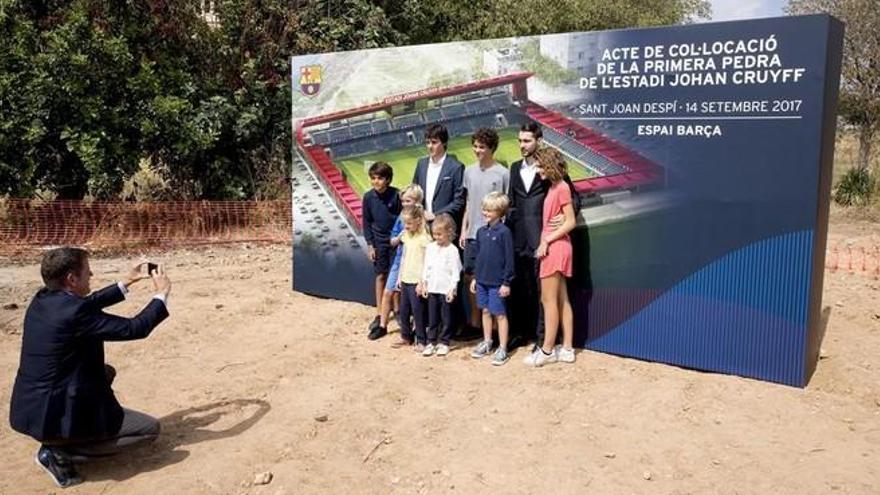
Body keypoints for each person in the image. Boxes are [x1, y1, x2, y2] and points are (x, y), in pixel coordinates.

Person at [9, 247, 172, 488]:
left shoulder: (43, 298)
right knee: (149, 429)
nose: (92, 274)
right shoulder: (75, 314)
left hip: (31, 408)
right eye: (87, 272)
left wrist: (128, 280)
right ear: (72, 279)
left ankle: (64, 438)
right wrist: (162, 294)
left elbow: (86, 303)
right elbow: (135, 328)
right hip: (54, 409)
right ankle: (61, 453)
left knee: (106, 372)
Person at [506, 121, 581, 351]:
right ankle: (521, 333)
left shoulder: (548, 168)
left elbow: (573, 199)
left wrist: (563, 217)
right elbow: (512, 202)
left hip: (545, 241)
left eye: (527, 141)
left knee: (544, 295)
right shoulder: (514, 167)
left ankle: (542, 340)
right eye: (520, 140)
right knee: (521, 289)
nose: (522, 145)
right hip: (520, 240)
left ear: (539, 141)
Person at [523, 148, 577, 366]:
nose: (538, 170)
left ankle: (547, 351)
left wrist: (546, 240)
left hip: (555, 249)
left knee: (549, 300)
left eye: (541, 165)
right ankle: (567, 348)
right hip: (557, 246)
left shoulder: (561, 188)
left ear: (551, 165)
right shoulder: (557, 187)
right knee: (562, 299)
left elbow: (570, 221)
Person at [460, 128, 510, 334]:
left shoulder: (503, 174)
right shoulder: (469, 171)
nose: (477, 150)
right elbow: (469, 202)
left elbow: (505, 207)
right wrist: (464, 230)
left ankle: (498, 328)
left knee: (492, 281)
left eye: (482, 147)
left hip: (493, 237)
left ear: (492, 148)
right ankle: (476, 324)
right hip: (472, 236)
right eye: (475, 146)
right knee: (470, 279)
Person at [370, 184, 424, 341]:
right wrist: (400, 236)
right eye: (403, 201)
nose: (405, 204)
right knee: (388, 291)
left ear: (418, 201)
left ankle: (416, 330)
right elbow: (392, 241)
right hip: (400, 260)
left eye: (408, 201)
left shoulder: (424, 218)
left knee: (416, 299)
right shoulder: (401, 217)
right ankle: (382, 325)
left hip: (417, 263)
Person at [468, 192, 515, 366]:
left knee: (500, 315)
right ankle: (487, 341)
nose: (485, 213)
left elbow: (509, 259)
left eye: (489, 210)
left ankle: (502, 347)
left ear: (500, 211)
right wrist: (475, 278)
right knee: (485, 311)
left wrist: (506, 282)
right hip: (482, 281)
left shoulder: (505, 232)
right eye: (484, 209)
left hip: (498, 283)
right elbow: (479, 257)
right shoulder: (481, 232)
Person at [362, 162, 402, 337]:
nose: (376, 181)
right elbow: (366, 223)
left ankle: (398, 311)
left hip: (396, 242)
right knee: (380, 276)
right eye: (373, 178)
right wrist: (371, 245)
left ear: (388, 179)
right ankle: (380, 313)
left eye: (380, 178)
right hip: (379, 243)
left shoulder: (397, 195)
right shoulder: (368, 197)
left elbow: (403, 219)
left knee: (396, 277)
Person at [419, 213, 462, 357]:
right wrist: (424, 283)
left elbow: (456, 271)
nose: (437, 237)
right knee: (433, 317)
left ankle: (444, 341)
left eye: (439, 234)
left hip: (445, 289)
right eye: (434, 234)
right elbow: (426, 266)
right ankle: (431, 341)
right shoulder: (431, 248)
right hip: (432, 288)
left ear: (449, 232)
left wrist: (452, 289)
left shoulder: (452, 250)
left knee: (446, 317)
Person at [392, 204, 432, 351]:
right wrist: (399, 278)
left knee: (418, 311)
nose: (406, 226)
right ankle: (406, 336)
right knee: (404, 310)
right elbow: (403, 257)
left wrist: (422, 282)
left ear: (418, 221)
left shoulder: (425, 238)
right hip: (405, 278)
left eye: (409, 223)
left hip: (417, 281)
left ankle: (421, 340)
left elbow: (427, 262)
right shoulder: (406, 236)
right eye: (404, 223)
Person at [411, 123, 465, 231]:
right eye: (427, 142)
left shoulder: (456, 167)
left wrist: (435, 215)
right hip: (423, 226)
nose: (430, 146)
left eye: (434, 142)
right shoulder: (421, 164)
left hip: (445, 227)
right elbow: (414, 192)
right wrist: (421, 212)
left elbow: (458, 201)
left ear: (444, 142)